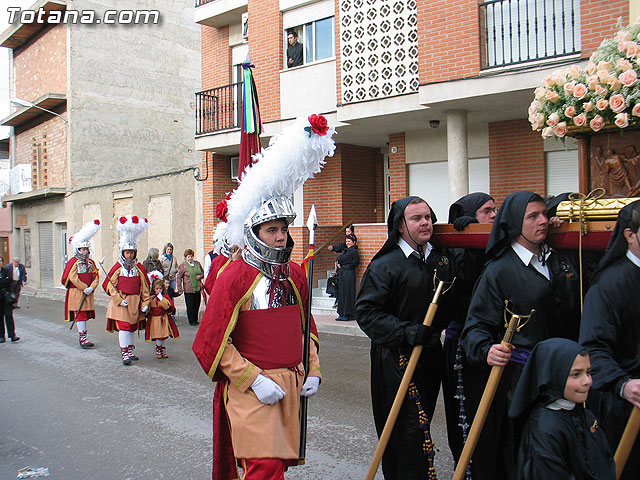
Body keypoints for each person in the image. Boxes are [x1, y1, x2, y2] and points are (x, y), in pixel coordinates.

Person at [193, 114, 334, 480]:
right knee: (263, 468)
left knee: (277, 467)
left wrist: (313, 369)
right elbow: (213, 341)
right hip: (252, 389)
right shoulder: (234, 278)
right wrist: (252, 379)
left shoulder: (296, 275)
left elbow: (307, 330)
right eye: (272, 229)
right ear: (254, 232)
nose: (281, 237)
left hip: (291, 384)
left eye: (284, 229)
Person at [460, 190, 581, 479]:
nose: (543, 221)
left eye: (544, 214)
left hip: (565, 378)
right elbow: (475, 328)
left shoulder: (560, 261)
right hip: (521, 384)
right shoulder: (498, 272)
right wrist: (487, 348)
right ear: (514, 222)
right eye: (533, 216)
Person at [356, 196, 457, 479]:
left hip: (429, 356)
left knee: (422, 426)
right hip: (395, 359)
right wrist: (409, 332)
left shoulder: (439, 259)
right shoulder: (385, 265)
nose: (425, 223)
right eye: (416, 219)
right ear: (400, 226)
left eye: (428, 217)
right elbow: (366, 313)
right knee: (407, 431)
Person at [579, 200, 640, 480]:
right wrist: (623, 384)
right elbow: (593, 347)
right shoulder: (607, 286)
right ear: (630, 235)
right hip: (626, 405)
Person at [508, 338, 615, 479]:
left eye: (588, 372)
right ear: (553, 375)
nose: (587, 381)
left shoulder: (584, 414)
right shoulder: (544, 430)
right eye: (576, 374)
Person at [442, 192, 496, 463]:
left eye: (495, 209)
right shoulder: (455, 249)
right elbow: (461, 284)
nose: (494, 215)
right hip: (462, 344)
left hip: (491, 344)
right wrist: (464, 244)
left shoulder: (494, 241)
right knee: (467, 413)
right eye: (487, 211)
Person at [103, 215, 150, 366]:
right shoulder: (118, 268)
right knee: (124, 326)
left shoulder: (139, 268)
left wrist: (145, 302)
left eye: (132, 252)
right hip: (121, 302)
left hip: (134, 301)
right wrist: (118, 299)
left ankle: (130, 350)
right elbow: (110, 285)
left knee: (131, 326)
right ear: (123, 253)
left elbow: (144, 287)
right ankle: (124, 353)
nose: (129, 255)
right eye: (127, 252)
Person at [61, 220, 101, 348]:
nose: (85, 251)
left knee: (85, 314)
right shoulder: (74, 262)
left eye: (86, 249)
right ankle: (82, 337)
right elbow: (72, 277)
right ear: (78, 249)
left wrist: (92, 287)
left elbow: (96, 276)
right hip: (77, 292)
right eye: (83, 249)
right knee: (81, 314)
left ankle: (84, 336)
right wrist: (84, 288)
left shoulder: (91, 263)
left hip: (88, 291)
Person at [145, 271, 179, 359]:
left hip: (164, 318)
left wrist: (162, 300)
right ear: (154, 289)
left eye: (160, 288)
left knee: (164, 336)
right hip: (155, 319)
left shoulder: (165, 297)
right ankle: (158, 350)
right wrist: (145, 308)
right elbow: (148, 308)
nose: (159, 290)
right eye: (157, 289)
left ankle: (163, 350)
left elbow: (168, 307)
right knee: (158, 336)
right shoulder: (151, 298)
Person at [335, 233, 359, 321]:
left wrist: (340, 262)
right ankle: (349, 314)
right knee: (346, 293)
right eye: (346, 241)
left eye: (349, 241)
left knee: (346, 293)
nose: (347, 243)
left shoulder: (353, 252)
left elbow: (340, 259)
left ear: (354, 242)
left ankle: (345, 314)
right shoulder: (349, 251)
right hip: (346, 273)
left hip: (347, 274)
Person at [177, 249, 204, 326]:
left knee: (197, 304)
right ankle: (191, 320)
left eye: (191, 256)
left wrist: (200, 276)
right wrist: (180, 288)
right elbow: (179, 277)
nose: (190, 258)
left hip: (197, 287)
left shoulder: (197, 264)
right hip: (188, 288)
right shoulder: (183, 266)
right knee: (190, 305)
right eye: (188, 257)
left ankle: (195, 319)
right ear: (185, 257)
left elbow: (202, 272)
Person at [0, 257, 19, 343]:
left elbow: (9, 280)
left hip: (6, 298)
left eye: (0, 261)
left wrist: (3, 281)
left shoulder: (6, 271)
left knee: (9, 316)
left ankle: (12, 335)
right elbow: (5, 281)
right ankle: (1, 336)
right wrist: (3, 281)